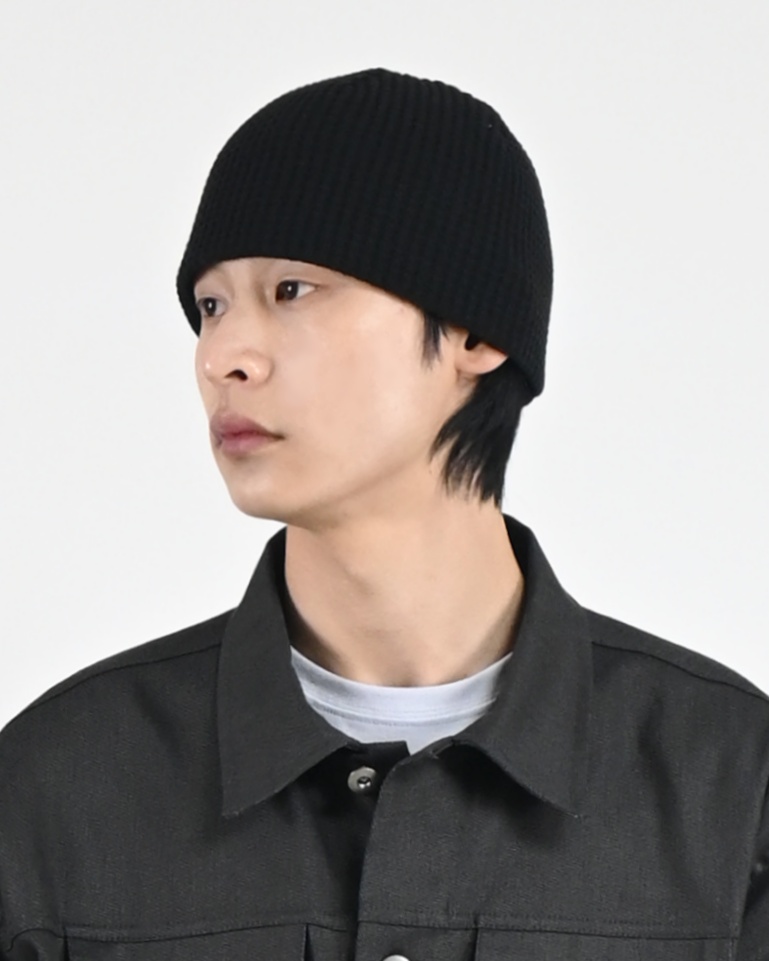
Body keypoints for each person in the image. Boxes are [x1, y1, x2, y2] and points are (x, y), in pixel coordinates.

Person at [0, 67, 767, 961]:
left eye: (292, 289)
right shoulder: (58, 785)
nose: (222, 356)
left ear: (476, 332)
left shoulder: (728, 785)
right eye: (210, 305)